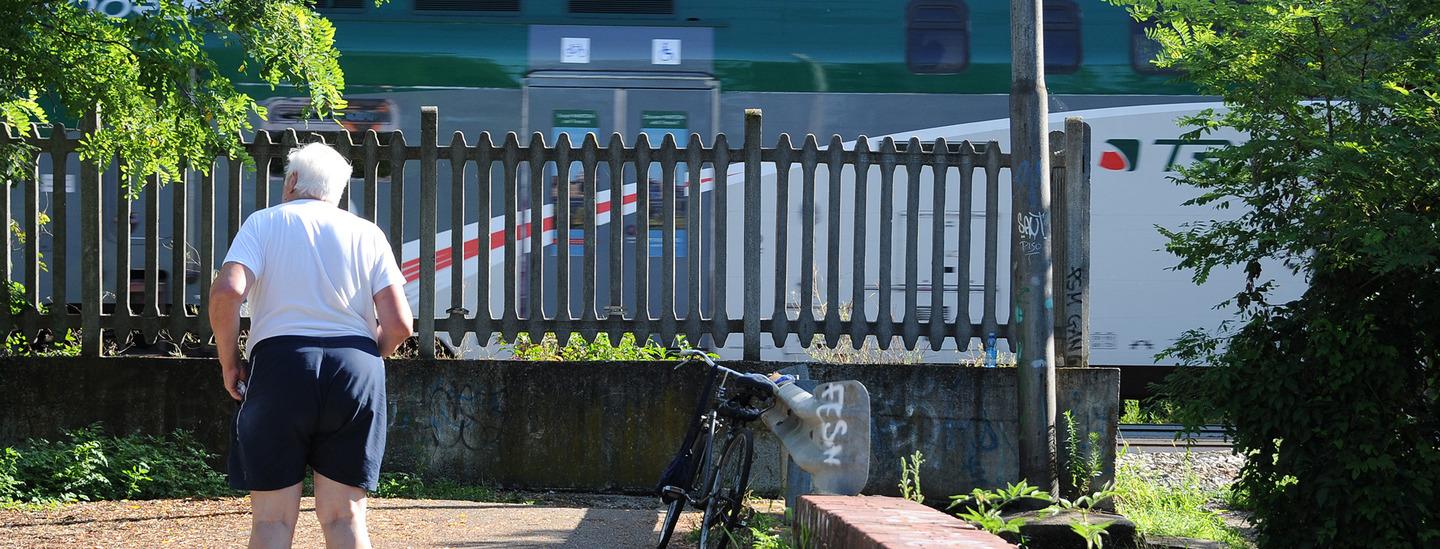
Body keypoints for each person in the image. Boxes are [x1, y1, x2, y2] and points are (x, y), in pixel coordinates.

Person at [208, 142, 413, 549]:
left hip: (281, 365)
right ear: (337, 191)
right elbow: (400, 324)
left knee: (272, 522)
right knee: (344, 518)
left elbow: (228, 292)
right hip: (354, 366)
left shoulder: (263, 223)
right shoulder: (367, 233)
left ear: (293, 182)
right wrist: (367, 358)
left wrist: (230, 362)